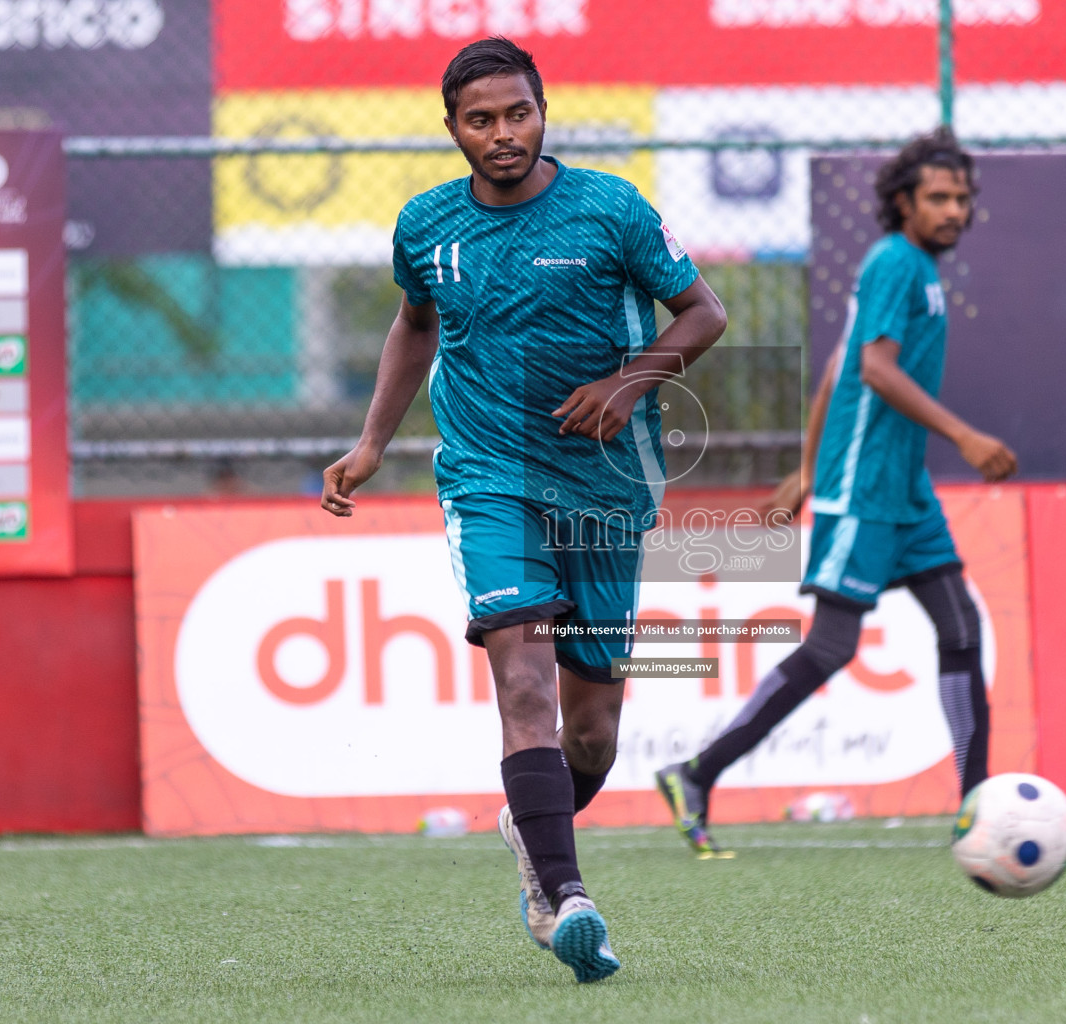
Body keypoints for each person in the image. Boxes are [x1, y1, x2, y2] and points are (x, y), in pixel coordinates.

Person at [320, 37, 727, 982]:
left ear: (544, 112)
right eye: (481, 119)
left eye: (518, 114)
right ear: (453, 128)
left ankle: (528, 828)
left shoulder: (611, 208)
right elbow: (415, 324)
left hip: (606, 491)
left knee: (592, 734)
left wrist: (629, 384)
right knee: (524, 684)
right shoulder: (424, 226)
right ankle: (565, 898)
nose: (503, 134)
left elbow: (704, 313)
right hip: (488, 478)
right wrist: (374, 440)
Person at [655, 128, 1017, 856]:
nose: (954, 210)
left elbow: (834, 372)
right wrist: (966, 439)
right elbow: (876, 371)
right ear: (902, 203)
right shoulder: (895, 262)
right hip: (867, 486)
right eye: (938, 198)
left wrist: (806, 468)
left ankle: (975, 805)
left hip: (900, 489)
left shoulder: (912, 267)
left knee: (961, 632)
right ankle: (697, 772)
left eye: (962, 199)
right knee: (830, 647)